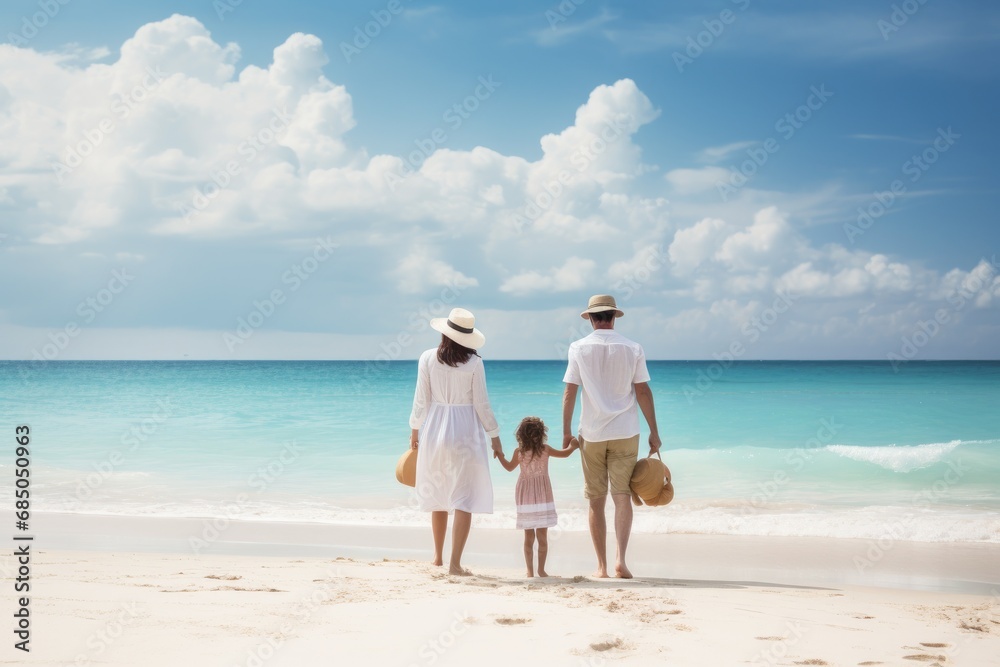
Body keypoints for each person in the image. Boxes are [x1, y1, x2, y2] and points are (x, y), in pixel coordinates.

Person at [562, 294, 661, 579]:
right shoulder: (633, 348)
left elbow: (570, 391)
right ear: (614, 317)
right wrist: (654, 431)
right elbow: (642, 391)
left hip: (591, 433)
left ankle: (601, 567)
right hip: (625, 432)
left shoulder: (578, 348)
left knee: (596, 500)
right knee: (622, 497)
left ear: (591, 319)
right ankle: (621, 561)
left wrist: (566, 431)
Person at [409, 307, 503, 576]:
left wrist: (415, 430)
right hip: (465, 432)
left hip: (435, 430)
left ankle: (437, 557)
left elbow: (421, 400)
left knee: (438, 494)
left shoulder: (427, 358)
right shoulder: (474, 363)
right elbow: (482, 404)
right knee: (464, 497)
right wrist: (495, 436)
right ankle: (455, 564)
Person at [496, 416, 579, 578]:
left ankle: (530, 571)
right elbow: (565, 454)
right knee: (542, 536)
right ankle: (540, 570)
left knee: (529, 536)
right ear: (541, 434)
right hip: (542, 495)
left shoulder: (519, 452)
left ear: (521, 435)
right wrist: (573, 446)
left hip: (525, 495)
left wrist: (499, 454)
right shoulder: (545, 449)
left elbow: (508, 467)